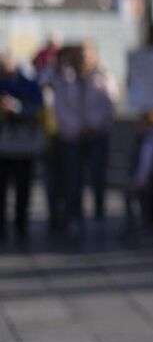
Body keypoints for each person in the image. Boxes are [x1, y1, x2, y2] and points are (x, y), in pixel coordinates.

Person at [49, 42, 119, 233]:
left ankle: (99, 214)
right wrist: (77, 127)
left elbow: (109, 103)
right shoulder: (64, 78)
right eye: (80, 54)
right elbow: (60, 107)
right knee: (74, 179)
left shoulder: (104, 76)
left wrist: (92, 125)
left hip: (97, 135)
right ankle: (75, 216)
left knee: (98, 176)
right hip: (72, 136)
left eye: (87, 54)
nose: (83, 58)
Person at [0, 51, 45, 240]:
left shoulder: (28, 83)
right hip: (3, 144)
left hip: (23, 144)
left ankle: (21, 223)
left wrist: (16, 107)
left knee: (23, 186)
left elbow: (38, 108)